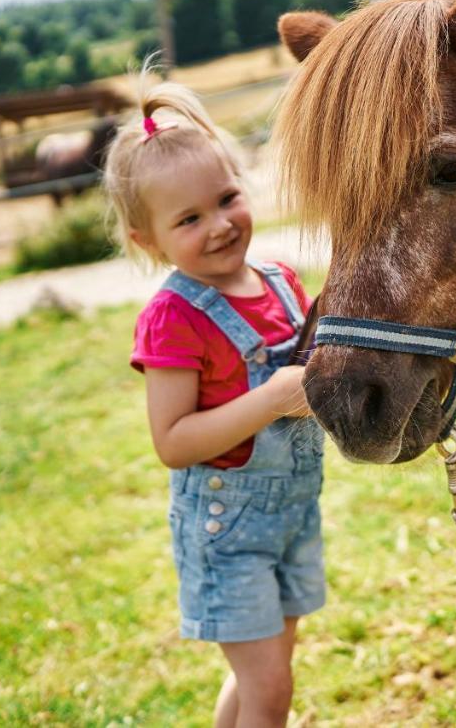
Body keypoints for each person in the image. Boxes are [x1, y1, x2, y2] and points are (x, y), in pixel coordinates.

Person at [104, 71, 325, 727]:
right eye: (189, 219)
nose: (221, 225)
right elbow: (173, 442)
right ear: (150, 240)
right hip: (226, 530)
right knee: (270, 687)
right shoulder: (174, 317)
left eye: (227, 198)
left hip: (292, 515)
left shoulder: (283, 281)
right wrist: (275, 398)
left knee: (267, 672)